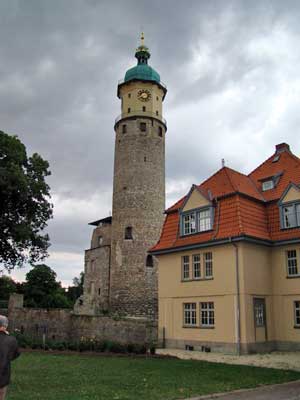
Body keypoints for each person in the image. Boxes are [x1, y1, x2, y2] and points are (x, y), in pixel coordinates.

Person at [0, 315, 20, 400]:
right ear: (5, 326)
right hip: (3, 376)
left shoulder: (10, 340)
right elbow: (15, 355)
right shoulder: (12, 340)